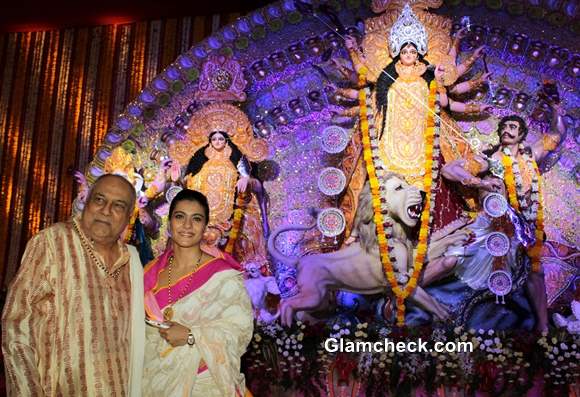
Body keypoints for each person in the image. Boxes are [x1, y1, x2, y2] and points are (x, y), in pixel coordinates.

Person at [2, 174, 145, 396]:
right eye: (99, 200)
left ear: (129, 218)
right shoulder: (51, 242)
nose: (106, 210)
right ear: (86, 202)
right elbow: (17, 328)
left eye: (118, 205)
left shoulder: (132, 263)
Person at [142, 189, 253, 396]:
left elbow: (240, 332)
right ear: (169, 223)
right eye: (179, 217)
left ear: (204, 226)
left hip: (204, 381)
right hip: (152, 379)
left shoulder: (223, 275)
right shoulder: (150, 273)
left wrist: (192, 336)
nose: (187, 226)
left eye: (196, 219)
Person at [185, 130, 269, 239]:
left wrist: (245, 179)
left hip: (231, 205)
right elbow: (192, 179)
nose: (217, 142)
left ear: (226, 141)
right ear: (210, 141)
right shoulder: (203, 161)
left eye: (221, 139)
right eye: (214, 139)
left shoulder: (235, 156)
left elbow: (246, 174)